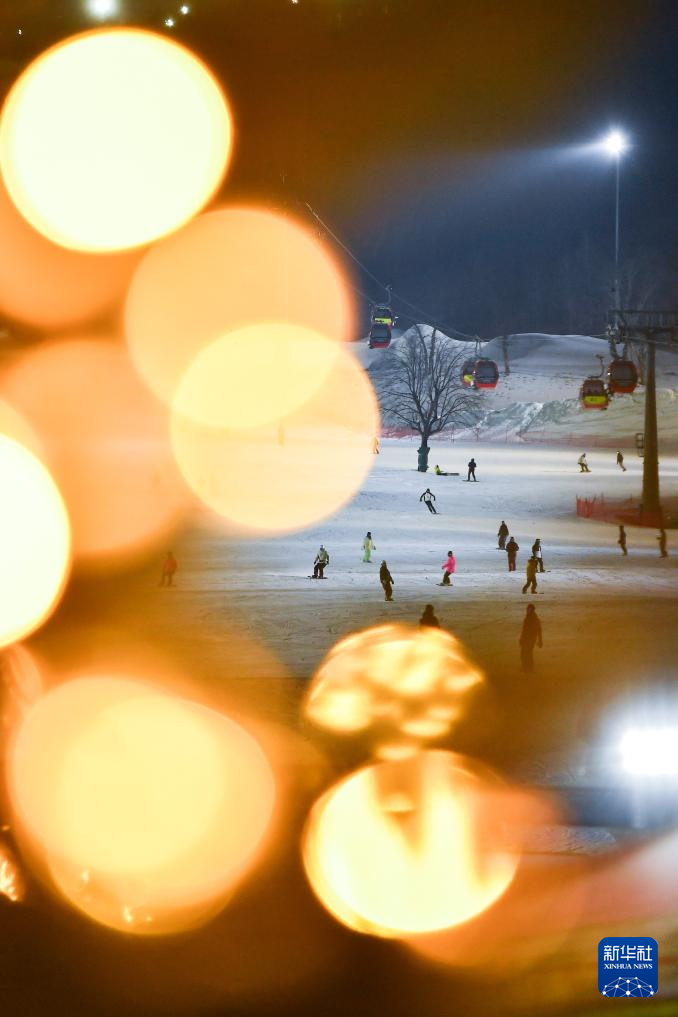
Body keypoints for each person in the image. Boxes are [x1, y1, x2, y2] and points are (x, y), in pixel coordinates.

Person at [519, 604, 543, 673]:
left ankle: (529, 668)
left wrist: (540, 640)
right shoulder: (527, 618)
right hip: (526, 638)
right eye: (527, 609)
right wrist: (521, 638)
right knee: (523, 653)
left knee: (528, 653)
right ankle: (526, 667)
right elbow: (524, 629)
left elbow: (539, 630)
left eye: (529, 609)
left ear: (532, 610)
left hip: (531, 639)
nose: (528, 611)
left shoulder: (535, 619)